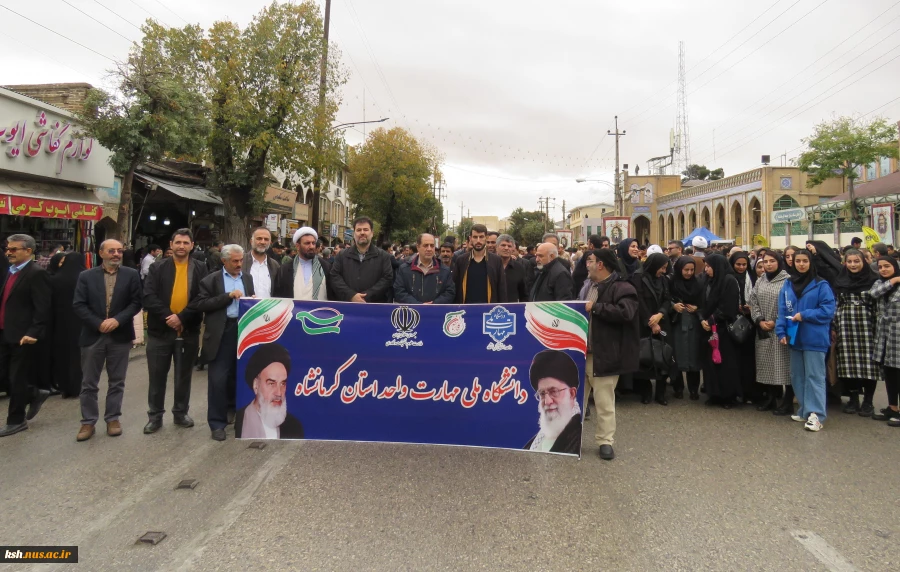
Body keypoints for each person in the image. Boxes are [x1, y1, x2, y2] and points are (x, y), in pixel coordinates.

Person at [71, 240, 142, 441]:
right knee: (88, 383)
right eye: (111, 251)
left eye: (120, 251)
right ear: (101, 253)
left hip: (119, 336)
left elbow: (136, 302)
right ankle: (88, 422)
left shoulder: (131, 275)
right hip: (93, 336)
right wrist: (98, 323)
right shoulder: (86, 276)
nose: (116, 254)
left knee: (117, 381)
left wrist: (117, 320)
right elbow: (78, 304)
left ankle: (112, 418)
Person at [142, 228, 207, 434]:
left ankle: (180, 412)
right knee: (157, 375)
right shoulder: (158, 268)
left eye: (185, 243)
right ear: (171, 244)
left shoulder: (200, 268)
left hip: (188, 330)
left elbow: (202, 296)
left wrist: (183, 317)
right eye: (178, 242)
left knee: (183, 375)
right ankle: (155, 416)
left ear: (191, 245)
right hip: (160, 331)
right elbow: (149, 296)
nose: (181, 246)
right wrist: (169, 317)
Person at [580, 248, 639, 460]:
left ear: (601, 264)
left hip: (604, 354)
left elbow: (627, 312)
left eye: (590, 261)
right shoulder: (587, 286)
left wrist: (596, 308)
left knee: (604, 401)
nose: (586, 265)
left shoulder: (622, 287)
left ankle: (605, 441)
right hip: (581, 353)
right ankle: (571, 438)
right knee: (576, 400)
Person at [191, 245, 255, 441]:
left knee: (241, 375)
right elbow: (200, 304)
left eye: (240, 261)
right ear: (224, 261)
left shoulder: (247, 278)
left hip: (243, 330)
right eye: (234, 261)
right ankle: (217, 424)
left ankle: (236, 415)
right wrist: (227, 297)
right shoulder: (211, 280)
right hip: (222, 332)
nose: (238, 264)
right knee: (218, 379)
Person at [776, 249, 836, 431]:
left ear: (811, 263)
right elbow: (782, 310)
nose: (801, 264)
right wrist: (781, 332)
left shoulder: (821, 284)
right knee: (798, 376)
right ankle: (804, 410)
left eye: (805, 261)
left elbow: (828, 311)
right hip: (795, 338)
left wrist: (805, 315)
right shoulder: (788, 284)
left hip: (814, 338)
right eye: (798, 261)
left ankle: (816, 415)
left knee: (814, 377)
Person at [0, 234, 52, 437]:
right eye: (7, 249)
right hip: (4, 331)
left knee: (17, 377)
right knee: (4, 375)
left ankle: (16, 420)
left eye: (14, 249)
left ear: (28, 251)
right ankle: (34, 393)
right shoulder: (10, 272)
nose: (8, 252)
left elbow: (43, 307)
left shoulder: (36, 273)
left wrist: (33, 332)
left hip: (23, 335)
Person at [833, 249, 880, 416]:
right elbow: (836, 304)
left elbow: (878, 306)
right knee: (847, 366)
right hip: (845, 328)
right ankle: (853, 399)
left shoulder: (874, 281)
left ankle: (868, 401)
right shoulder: (840, 280)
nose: (853, 264)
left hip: (868, 328)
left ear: (863, 262)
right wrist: (833, 327)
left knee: (870, 367)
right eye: (850, 261)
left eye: (856, 261)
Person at [749, 252, 794, 413]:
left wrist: (776, 321)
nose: (768, 264)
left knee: (785, 366)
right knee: (765, 364)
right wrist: (760, 319)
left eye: (772, 261)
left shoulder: (788, 280)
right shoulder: (761, 279)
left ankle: (787, 401)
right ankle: (771, 399)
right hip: (763, 329)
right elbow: (753, 301)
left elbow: (791, 304)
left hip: (782, 329)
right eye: (765, 262)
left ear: (779, 262)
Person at [235, 343, 304, 439]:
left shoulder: (294, 426)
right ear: (256, 385)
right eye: (271, 383)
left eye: (282, 384)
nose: (279, 393)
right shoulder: (240, 420)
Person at [699, 254, 742, 408]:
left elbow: (728, 307)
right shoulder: (706, 280)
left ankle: (728, 396)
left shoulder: (729, 281)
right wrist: (702, 319)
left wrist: (711, 320)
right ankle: (714, 394)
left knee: (725, 363)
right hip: (708, 328)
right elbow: (701, 302)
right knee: (710, 363)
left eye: (709, 266)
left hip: (723, 329)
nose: (706, 270)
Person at [633, 253, 673, 405]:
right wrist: (651, 321)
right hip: (645, 323)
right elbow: (639, 301)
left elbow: (667, 299)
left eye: (665, 268)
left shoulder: (663, 280)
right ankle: (646, 391)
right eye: (661, 268)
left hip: (662, 321)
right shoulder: (638, 278)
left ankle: (661, 393)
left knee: (663, 355)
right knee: (645, 355)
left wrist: (661, 314)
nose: (663, 271)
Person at [523, 350, 582, 455]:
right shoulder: (536, 440)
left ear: (572, 393)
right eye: (542, 394)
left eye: (554, 391)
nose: (547, 401)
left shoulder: (577, 437)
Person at [330, 217, 394, 303]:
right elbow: (334, 277)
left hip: (374, 307)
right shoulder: (342, 255)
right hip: (347, 307)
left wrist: (366, 296)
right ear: (354, 233)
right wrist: (351, 295)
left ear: (372, 233)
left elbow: (387, 279)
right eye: (359, 230)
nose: (362, 233)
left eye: (366, 230)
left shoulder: (383, 256)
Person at [50, 251, 87, 399]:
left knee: (62, 354)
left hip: (60, 321)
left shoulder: (55, 278)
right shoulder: (86, 277)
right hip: (81, 321)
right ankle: (77, 386)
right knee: (78, 356)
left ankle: (64, 387)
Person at [870, 256, 900, 425]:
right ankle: (892, 407)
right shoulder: (879, 284)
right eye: (880, 267)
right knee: (889, 373)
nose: (883, 269)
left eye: (887, 266)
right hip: (885, 335)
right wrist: (893, 280)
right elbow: (873, 294)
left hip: (898, 333)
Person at [670, 256, 704, 400]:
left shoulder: (698, 283)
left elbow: (704, 301)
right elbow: (666, 298)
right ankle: (677, 388)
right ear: (679, 269)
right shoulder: (672, 282)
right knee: (676, 356)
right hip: (677, 323)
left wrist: (698, 308)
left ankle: (693, 389)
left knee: (693, 356)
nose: (689, 273)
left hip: (694, 323)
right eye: (686, 270)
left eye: (691, 270)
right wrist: (673, 305)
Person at [730, 252, 760, 404]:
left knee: (749, 361)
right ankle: (737, 391)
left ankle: (749, 392)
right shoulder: (729, 278)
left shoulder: (753, 278)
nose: (741, 267)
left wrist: (751, 308)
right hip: (733, 323)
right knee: (735, 360)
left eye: (744, 264)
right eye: (738, 264)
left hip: (750, 323)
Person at [273, 227, 333, 300]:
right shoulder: (285, 269)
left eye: (313, 243)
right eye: (307, 243)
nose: (311, 246)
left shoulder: (325, 267)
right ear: (298, 246)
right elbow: (278, 296)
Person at [452, 224, 507, 304]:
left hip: (489, 311)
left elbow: (502, 289)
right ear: (470, 238)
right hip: (466, 310)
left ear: (486, 238)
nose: (478, 240)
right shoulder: (461, 260)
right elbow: (455, 287)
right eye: (475, 237)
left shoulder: (496, 261)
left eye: (481, 237)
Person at [393, 233, 455, 304]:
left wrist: (434, 304)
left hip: (436, 313)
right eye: (425, 245)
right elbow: (399, 292)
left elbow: (450, 293)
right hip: (413, 313)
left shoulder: (444, 271)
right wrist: (419, 305)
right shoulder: (405, 269)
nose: (429, 249)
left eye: (432, 246)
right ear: (418, 247)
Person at [245, 227, 280, 299]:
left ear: (270, 243)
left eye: (266, 239)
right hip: (247, 308)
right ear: (251, 241)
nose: (263, 242)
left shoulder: (275, 265)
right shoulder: (241, 262)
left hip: (269, 309)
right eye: (259, 238)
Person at [496, 234, 528, 302]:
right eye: (503, 245)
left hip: (512, 310)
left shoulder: (519, 268)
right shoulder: (489, 265)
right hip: (491, 309)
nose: (506, 248)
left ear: (513, 249)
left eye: (509, 246)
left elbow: (524, 293)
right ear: (497, 247)